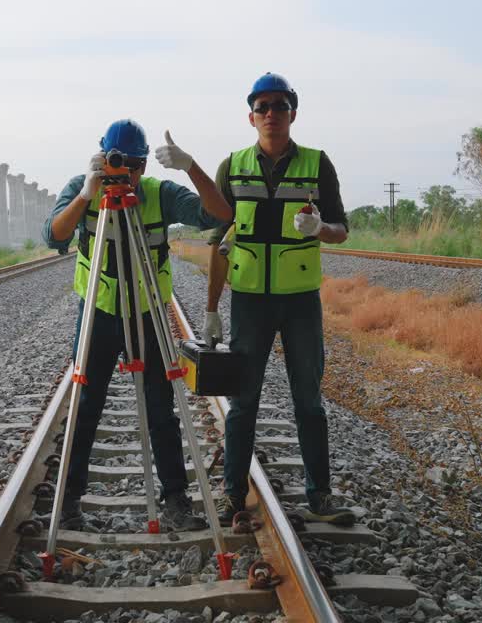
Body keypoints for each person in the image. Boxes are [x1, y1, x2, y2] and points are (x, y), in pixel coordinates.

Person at [44, 119, 232, 531]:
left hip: (147, 313)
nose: (125, 173)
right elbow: (53, 235)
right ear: (101, 159)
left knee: (161, 408)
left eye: (134, 165)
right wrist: (86, 193)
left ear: (146, 166)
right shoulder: (83, 187)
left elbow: (220, 213)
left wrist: (191, 167)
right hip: (99, 312)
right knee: (85, 405)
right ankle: (70, 499)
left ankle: (176, 498)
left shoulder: (159, 195)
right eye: (117, 162)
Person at [205, 73, 356, 525]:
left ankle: (320, 496)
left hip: (300, 302)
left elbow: (342, 230)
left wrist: (320, 230)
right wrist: (212, 309)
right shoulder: (231, 166)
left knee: (308, 400)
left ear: (293, 112)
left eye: (280, 105)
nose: (272, 114)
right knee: (243, 401)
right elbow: (218, 241)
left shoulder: (317, 163)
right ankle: (233, 493)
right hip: (249, 302)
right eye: (263, 106)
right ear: (251, 115)